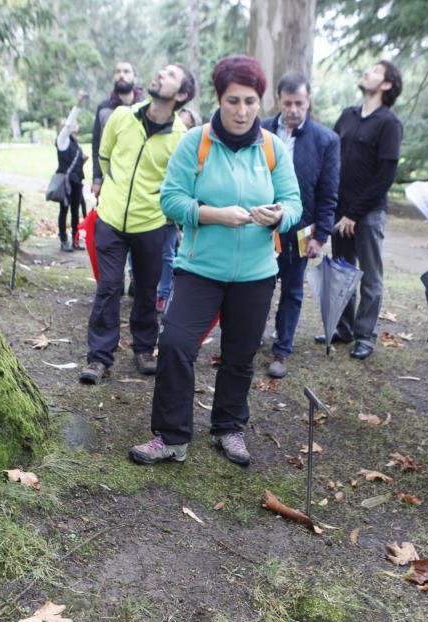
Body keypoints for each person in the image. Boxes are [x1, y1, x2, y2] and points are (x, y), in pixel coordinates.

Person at [129, 55, 302, 467]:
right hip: (199, 269)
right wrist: (212, 214)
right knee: (174, 344)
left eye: (250, 102)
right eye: (233, 101)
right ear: (219, 100)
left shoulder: (272, 148)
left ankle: (228, 428)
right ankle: (172, 437)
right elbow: (170, 198)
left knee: (240, 355)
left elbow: (295, 203)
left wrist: (279, 216)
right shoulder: (197, 142)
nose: (242, 111)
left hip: (257, 274)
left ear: (261, 102)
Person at [77, 64, 196, 385]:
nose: (160, 74)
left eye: (170, 75)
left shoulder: (181, 139)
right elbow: (105, 155)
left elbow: (180, 182)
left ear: (181, 94)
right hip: (111, 219)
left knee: (146, 289)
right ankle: (99, 358)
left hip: (151, 224)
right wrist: (104, 183)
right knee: (109, 286)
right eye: (162, 70)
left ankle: (144, 348)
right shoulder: (121, 117)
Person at [319, 61, 402, 361]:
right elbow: (330, 159)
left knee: (369, 276)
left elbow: (385, 176)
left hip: (367, 214)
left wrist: (354, 213)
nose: (367, 72)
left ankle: (365, 336)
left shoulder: (389, 123)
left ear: (387, 84)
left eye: (375, 71)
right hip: (340, 211)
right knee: (342, 272)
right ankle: (344, 329)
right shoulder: (347, 116)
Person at [262, 72, 340, 379]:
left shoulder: (326, 140)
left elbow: (329, 191)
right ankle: (252, 336)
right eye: (288, 102)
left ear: (308, 103)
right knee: (258, 286)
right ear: (279, 101)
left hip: (301, 228)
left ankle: (282, 349)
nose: (293, 109)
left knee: (292, 290)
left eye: (300, 103)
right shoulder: (261, 130)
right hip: (263, 225)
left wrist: (321, 235)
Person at [157, 105, 203, 313]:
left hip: (181, 213)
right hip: (156, 205)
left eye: (187, 126)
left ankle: (164, 294)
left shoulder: (196, 150)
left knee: (170, 252)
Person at [91, 61, 144, 197]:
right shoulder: (104, 108)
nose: (121, 75)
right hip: (110, 179)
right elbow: (97, 145)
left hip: (139, 181)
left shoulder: (145, 108)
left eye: (126, 72)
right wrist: (97, 179)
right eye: (118, 72)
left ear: (135, 78)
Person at [54, 91, 88, 252]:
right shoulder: (62, 140)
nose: (75, 124)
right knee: (64, 210)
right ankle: (63, 240)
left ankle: (75, 239)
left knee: (76, 212)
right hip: (66, 183)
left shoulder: (75, 143)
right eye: (72, 123)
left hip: (77, 182)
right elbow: (68, 124)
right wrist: (78, 104)